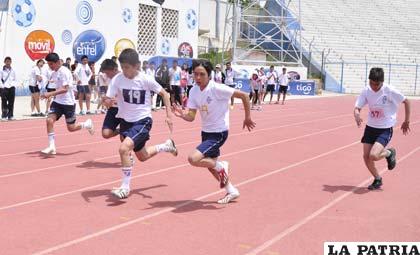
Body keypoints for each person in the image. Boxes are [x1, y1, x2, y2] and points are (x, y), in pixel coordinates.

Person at [172, 59, 256, 204]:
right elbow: (191, 116)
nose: (198, 78)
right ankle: (232, 191)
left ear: (209, 75)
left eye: (202, 74)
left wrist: (247, 117)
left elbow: (244, 95)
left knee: (193, 159)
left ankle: (222, 166)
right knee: (211, 166)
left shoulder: (217, 88)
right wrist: (182, 115)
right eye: (195, 74)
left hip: (219, 132)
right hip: (206, 132)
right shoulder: (193, 91)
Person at [103, 49, 177, 199]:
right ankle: (166, 146)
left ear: (136, 66)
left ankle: (125, 187)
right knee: (142, 156)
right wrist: (106, 101)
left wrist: (169, 115)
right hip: (125, 121)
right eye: (122, 67)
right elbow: (107, 98)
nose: (124, 71)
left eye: (127, 67)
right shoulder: (117, 79)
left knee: (124, 149)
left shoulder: (145, 79)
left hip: (142, 120)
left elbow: (165, 94)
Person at [354, 67, 411, 190]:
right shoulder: (366, 90)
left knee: (373, 155)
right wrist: (357, 114)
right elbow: (357, 107)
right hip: (370, 128)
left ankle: (389, 153)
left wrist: (406, 121)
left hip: (385, 129)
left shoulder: (389, 90)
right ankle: (377, 179)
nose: (374, 86)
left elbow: (406, 101)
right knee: (366, 156)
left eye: (376, 84)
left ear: (382, 81)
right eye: (371, 83)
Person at [40, 53, 94, 155]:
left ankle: (87, 124)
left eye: (51, 64)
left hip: (68, 103)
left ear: (58, 62)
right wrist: (49, 94)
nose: (50, 66)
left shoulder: (64, 72)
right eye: (48, 64)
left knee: (71, 128)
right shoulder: (54, 72)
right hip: (57, 102)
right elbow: (56, 87)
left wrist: (50, 94)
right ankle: (52, 146)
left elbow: (65, 89)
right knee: (49, 120)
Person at [100, 59, 121, 139]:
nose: (107, 75)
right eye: (105, 73)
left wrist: (120, 100)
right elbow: (107, 98)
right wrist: (105, 100)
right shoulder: (111, 79)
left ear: (115, 69)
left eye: (108, 73)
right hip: (113, 109)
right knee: (106, 134)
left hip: (125, 110)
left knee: (124, 139)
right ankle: (121, 130)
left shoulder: (125, 77)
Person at [0, 57, 17, 121]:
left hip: (12, 87)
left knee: (11, 102)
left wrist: (14, 85)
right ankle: (4, 116)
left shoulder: (13, 70)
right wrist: (2, 86)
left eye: (9, 61)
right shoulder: (1, 70)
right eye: (7, 61)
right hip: (4, 88)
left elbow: (15, 79)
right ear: (4, 62)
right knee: (4, 102)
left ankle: (10, 115)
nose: (8, 62)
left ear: (11, 62)